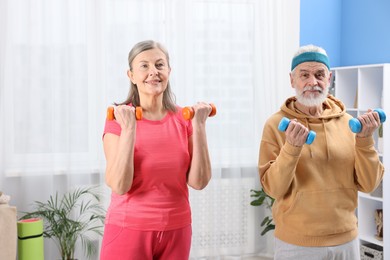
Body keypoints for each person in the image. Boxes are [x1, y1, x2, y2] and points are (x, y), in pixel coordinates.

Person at [258, 44, 384, 260]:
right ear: (292, 80)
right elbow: (273, 189)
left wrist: (365, 140)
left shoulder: (348, 123)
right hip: (297, 243)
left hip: (346, 239)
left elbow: (369, 184)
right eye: (304, 75)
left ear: (329, 78)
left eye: (319, 74)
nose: (312, 82)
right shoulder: (276, 124)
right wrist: (292, 148)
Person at [100, 40, 213, 260]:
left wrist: (199, 126)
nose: (153, 72)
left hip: (177, 229)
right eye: (144, 66)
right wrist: (130, 128)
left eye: (160, 65)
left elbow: (199, 182)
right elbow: (120, 185)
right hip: (129, 228)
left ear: (169, 71)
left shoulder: (184, 119)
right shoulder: (118, 120)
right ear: (131, 75)